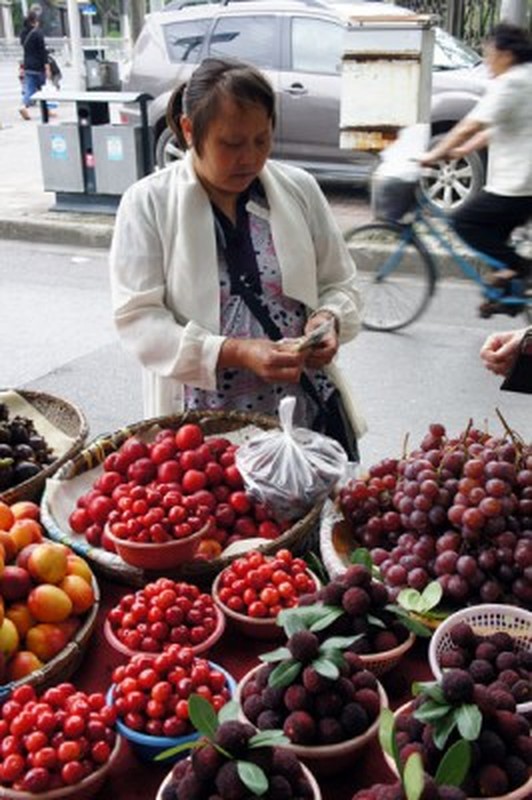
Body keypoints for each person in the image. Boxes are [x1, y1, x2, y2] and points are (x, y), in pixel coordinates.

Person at [110, 57, 365, 457]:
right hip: (204, 435)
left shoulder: (299, 189)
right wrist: (236, 351)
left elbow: (340, 283)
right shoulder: (147, 204)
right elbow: (138, 320)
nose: (250, 158)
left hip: (303, 416)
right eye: (231, 144)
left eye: (261, 140)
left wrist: (327, 319)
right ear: (190, 130)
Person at [420, 23, 532, 315]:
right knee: (496, 241)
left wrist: (434, 154)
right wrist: (466, 149)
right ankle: (509, 294)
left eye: (490, 53)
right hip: (524, 183)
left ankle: (519, 271)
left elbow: (471, 123)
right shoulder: (526, 78)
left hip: (516, 184)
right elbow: (503, 123)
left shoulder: (511, 83)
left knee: (464, 222)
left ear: (506, 54)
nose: (487, 61)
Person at [19, 10, 49, 120]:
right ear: (35, 21)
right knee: (41, 88)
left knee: (31, 87)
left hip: (27, 64)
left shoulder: (23, 33)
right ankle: (45, 110)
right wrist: (47, 66)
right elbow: (42, 51)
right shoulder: (38, 33)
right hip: (38, 65)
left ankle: (24, 105)